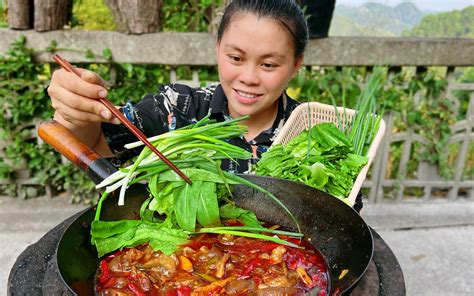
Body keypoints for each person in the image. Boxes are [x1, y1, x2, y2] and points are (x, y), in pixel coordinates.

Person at [48, 0, 363, 210]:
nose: (248, 78)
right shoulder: (179, 107)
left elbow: (342, 217)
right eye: (235, 58)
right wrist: (77, 111)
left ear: (296, 64)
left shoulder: (313, 134)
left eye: (268, 65)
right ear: (217, 49)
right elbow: (96, 143)